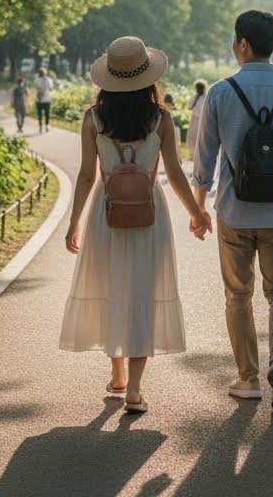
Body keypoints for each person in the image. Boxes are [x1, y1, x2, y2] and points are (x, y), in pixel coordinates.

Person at [60, 36, 212, 415]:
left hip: (105, 214)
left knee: (111, 289)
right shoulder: (160, 118)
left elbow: (84, 176)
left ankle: (117, 377)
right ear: (148, 77)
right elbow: (175, 172)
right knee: (142, 292)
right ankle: (136, 390)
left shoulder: (93, 119)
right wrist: (196, 212)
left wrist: (73, 222)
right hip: (149, 215)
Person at [192, 10, 273, 413]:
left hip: (234, 211)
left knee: (238, 294)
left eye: (235, 41)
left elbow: (205, 158)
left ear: (244, 44)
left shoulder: (220, 92)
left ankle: (248, 379)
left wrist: (199, 208)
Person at [186, 79, 207, 156]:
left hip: (201, 120)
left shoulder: (205, 97)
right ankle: (192, 154)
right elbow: (189, 107)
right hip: (194, 119)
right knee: (192, 136)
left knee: (199, 137)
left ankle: (198, 154)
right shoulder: (194, 97)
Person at [34, 67, 53, 133]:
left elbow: (36, 87)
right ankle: (46, 125)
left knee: (40, 114)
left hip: (39, 99)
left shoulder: (37, 79)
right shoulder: (49, 79)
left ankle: (41, 126)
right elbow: (51, 88)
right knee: (47, 113)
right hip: (46, 99)